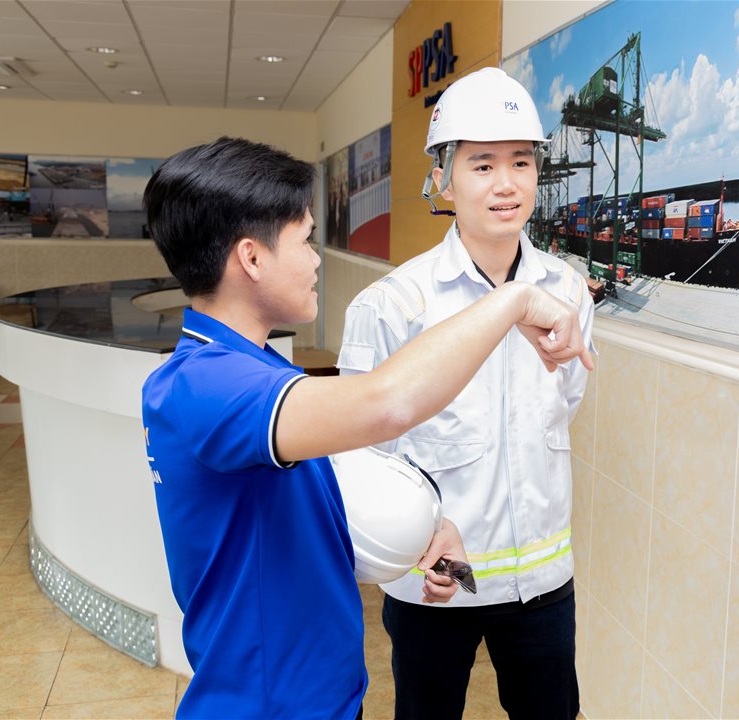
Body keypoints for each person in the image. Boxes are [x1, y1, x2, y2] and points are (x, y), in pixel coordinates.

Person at [140, 136, 592, 719]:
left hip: (322, 696)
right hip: (269, 706)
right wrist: (515, 302)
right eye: (305, 241)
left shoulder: (257, 369)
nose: (316, 260)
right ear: (251, 258)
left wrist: (429, 526)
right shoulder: (208, 385)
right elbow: (387, 405)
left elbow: (327, 492)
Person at [338, 67, 595, 720]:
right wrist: (418, 533)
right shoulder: (394, 303)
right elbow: (356, 452)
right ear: (444, 180)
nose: (506, 183)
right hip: (436, 581)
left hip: (541, 584)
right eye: (482, 165)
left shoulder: (568, 292)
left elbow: (560, 411)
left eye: (521, 162)